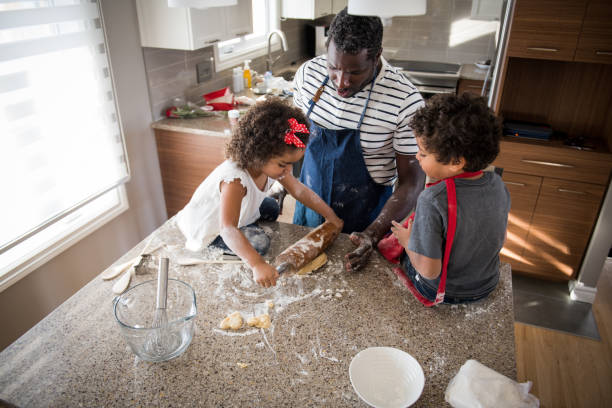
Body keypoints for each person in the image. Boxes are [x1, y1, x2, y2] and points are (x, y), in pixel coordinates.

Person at [292, 7, 425, 272]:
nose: (340, 82)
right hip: (308, 204)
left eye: (354, 72)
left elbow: (412, 181)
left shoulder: (405, 101)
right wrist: (278, 182)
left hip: (368, 219)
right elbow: (295, 136)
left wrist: (372, 234)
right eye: (333, 67)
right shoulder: (308, 75)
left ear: (376, 57)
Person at [176, 98, 343, 288]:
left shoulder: (268, 164)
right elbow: (228, 228)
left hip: (232, 216)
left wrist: (331, 216)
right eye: (283, 164)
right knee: (260, 244)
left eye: (292, 164)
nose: (288, 170)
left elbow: (298, 190)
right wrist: (257, 264)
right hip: (210, 228)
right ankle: (229, 243)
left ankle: (247, 225)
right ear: (258, 153)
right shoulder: (235, 180)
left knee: (270, 207)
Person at [388, 93, 510, 305]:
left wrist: (408, 242)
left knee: (401, 252)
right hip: (486, 284)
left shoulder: (433, 199)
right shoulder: (497, 184)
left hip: (445, 291)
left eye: (423, 153)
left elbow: (429, 271)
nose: (417, 156)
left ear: (455, 162)